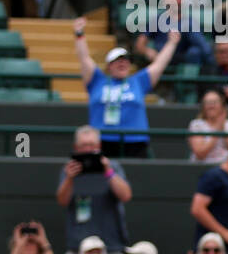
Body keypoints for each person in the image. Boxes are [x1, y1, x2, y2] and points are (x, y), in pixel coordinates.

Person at [76, 17, 179, 159]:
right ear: (109, 66)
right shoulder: (97, 81)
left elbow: (159, 64)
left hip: (135, 142)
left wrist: (172, 43)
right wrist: (79, 34)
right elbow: (84, 58)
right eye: (118, 61)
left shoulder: (137, 81)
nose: (123, 63)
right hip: (102, 141)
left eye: (126, 61)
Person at [187, 89, 228, 163]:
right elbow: (200, 154)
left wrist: (222, 127)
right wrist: (217, 129)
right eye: (208, 102)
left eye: (214, 102)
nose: (211, 106)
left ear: (222, 105)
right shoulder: (196, 124)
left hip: (226, 169)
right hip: (202, 168)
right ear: (203, 107)